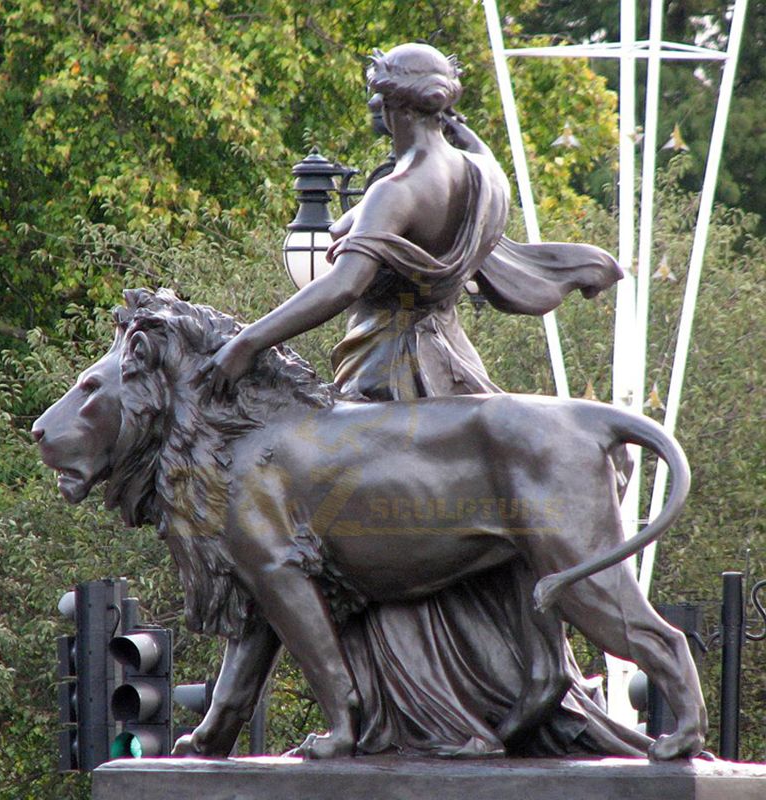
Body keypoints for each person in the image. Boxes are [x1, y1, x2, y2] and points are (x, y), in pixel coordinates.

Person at [200, 42, 648, 756]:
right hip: (449, 360)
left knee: (371, 545)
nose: (374, 110)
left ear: (395, 103)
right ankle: (509, 692)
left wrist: (249, 341)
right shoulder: (479, 171)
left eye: (378, 97)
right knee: (486, 546)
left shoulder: (399, 187)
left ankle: (428, 716)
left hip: (391, 371)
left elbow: (343, 287)